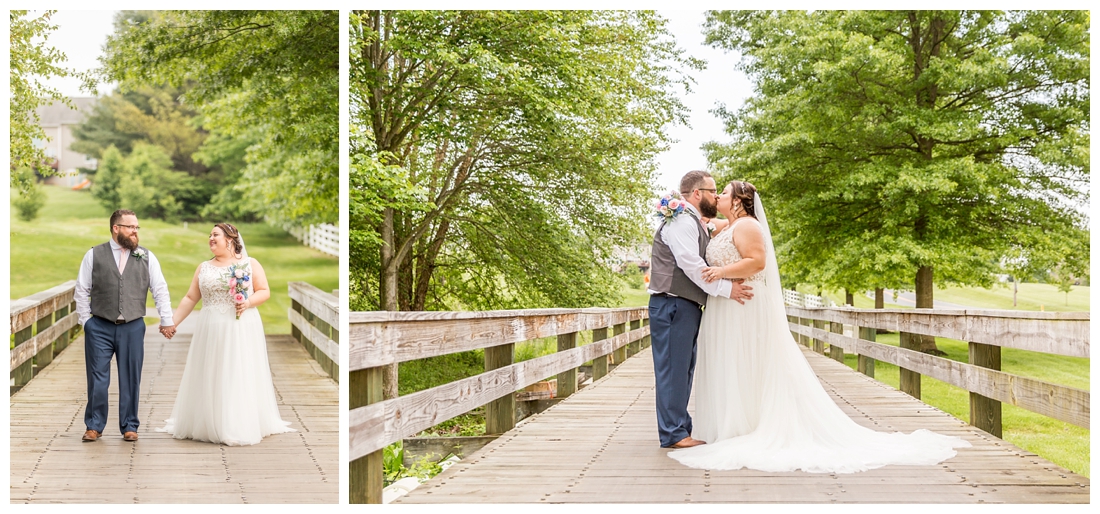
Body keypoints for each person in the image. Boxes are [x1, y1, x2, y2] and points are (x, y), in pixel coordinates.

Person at [668, 181, 970, 472]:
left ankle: (747, 425)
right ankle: (731, 424)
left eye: (723, 192)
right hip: (725, 306)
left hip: (745, 305)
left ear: (736, 200)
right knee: (729, 362)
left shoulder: (748, 225)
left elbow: (757, 262)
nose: (718, 196)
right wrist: (674, 206)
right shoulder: (727, 226)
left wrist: (721, 271)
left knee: (747, 360)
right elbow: (701, 221)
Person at [157, 223, 294, 445]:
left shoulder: (249, 264)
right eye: (209, 235)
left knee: (237, 370)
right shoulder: (203, 267)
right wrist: (172, 323)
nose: (210, 238)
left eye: (215, 235)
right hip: (210, 327)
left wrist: (248, 302)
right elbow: (191, 298)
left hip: (240, 326)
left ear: (230, 239)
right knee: (212, 370)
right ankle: (209, 420)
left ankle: (236, 422)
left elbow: (264, 291)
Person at [647, 170, 754, 449]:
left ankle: (680, 428)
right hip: (673, 303)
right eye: (712, 190)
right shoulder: (682, 222)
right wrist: (727, 289)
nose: (716, 195)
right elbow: (692, 267)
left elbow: (718, 231)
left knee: (682, 369)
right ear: (698, 194)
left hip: (683, 304)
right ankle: (673, 433)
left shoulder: (693, 221)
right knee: (673, 369)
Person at [75, 209, 176, 442]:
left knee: (131, 377)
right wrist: (86, 322)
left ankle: (130, 425)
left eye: (137, 228)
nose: (135, 231)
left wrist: (167, 319)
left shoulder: (147, 257)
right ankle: (94, 425)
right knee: (97, 378)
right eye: (131, 227)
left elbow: (159, 289)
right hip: (99, 325)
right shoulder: (93, 254)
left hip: (132, 326)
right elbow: (81, 290)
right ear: (116, 228)